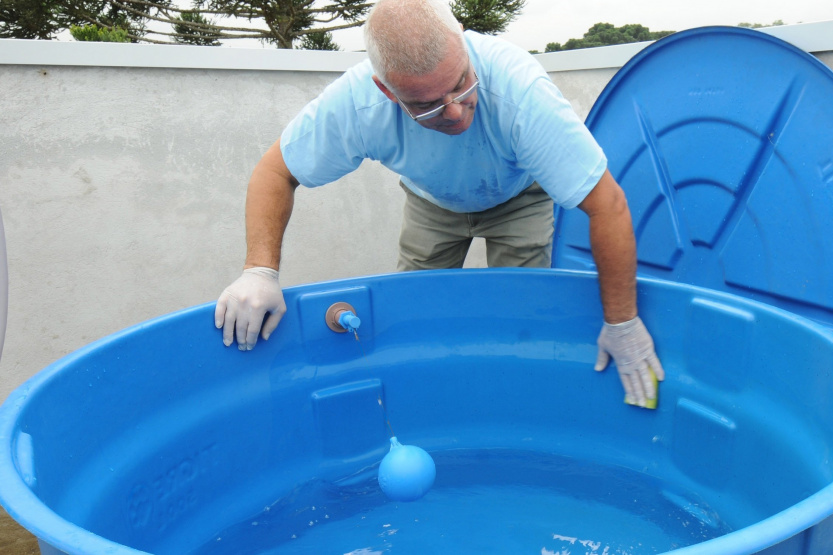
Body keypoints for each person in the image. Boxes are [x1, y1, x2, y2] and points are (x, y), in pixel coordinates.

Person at [214, 0, 665, 407]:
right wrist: (259, 271)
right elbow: (277, 170)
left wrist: (622, 322)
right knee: (414, 306)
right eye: (426, 105)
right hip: (432, 201)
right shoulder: (356, 104)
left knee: (525, 306)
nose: (454, 112)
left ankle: (521, 398)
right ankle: (428, 401)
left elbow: (608, 205)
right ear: (387, 92)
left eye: (462, 86)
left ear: (464, 44)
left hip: (519, 196)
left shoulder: (519, 91)